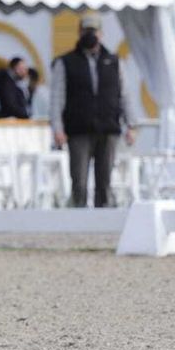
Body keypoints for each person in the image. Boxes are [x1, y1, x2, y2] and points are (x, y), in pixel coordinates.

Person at [50, 13, 139, 207]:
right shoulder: (65, 62)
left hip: (108, 129)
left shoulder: (114, 61)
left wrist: (131, 124)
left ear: (101, 33)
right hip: (78, 130)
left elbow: (125, 94)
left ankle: (103, 222)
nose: (90, 35)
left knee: (105, 182)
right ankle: (78, 222)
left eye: (94, 31)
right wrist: (58, 128)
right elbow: (57, 98)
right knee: (79, 182)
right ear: (79, 32)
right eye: (86, 30)